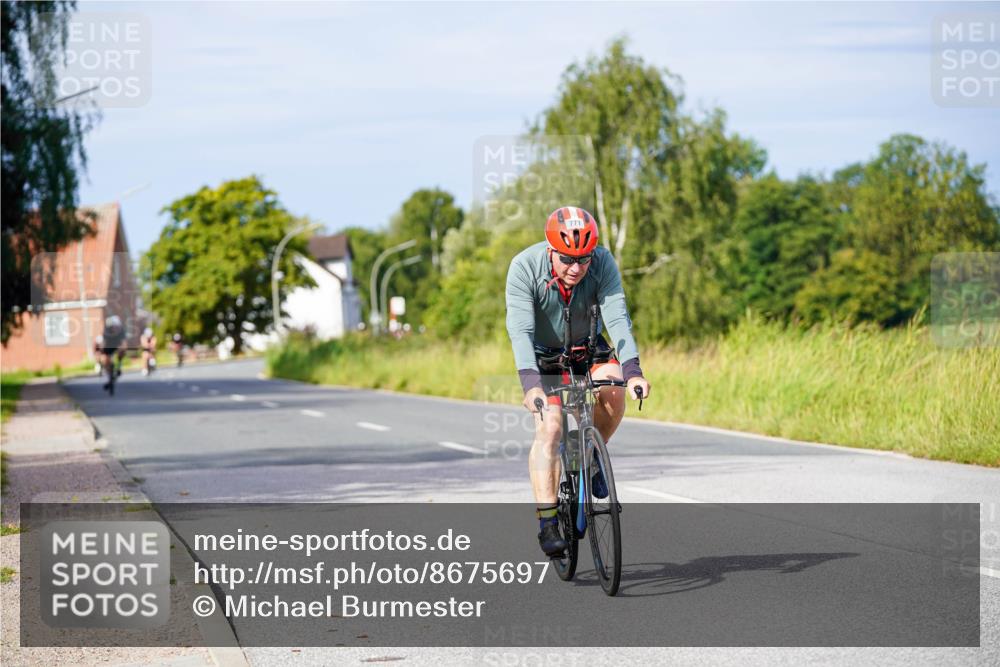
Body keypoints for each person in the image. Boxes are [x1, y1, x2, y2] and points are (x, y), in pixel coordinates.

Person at [505, 206, 651, 557]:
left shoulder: (602, 263)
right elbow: (521, 331)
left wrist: (633, 372)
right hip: (544, 356)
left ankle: (589, 454)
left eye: (583, 259)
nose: (576, 268)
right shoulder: (524, 267)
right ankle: (548, 520)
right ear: (551, 250)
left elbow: (617, 319)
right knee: (551, 428)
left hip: (588, 347)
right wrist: (532, 385)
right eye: (568, 259)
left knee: (614, 393)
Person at [100, 315, 126, 390]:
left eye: (117, 326)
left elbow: (124, 343)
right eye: (114, 327)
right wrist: (101, 351)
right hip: (108, 346)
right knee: (104, 360)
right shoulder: (106, 331)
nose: (115, 328)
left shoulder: (121, 331)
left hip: (117, 346)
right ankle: (109, 377)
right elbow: (103, 343)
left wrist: (123, 349)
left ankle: (119, 367)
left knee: (121, 350)